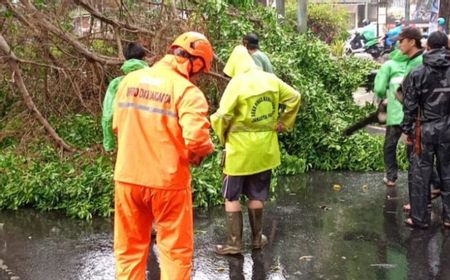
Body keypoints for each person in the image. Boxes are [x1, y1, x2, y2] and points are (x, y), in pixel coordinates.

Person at [112, 31, 215, 279]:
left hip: (128, 179)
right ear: (196, 62)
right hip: (168, 185)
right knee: (175, 253)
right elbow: (198, 140)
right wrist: (198, 154)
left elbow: (116, 125)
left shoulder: (129, 81)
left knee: (129, 252)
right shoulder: (187, 92)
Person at [212, 45, 301, 255]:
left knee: (232, 197)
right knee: (257, 194)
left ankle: (234, 243)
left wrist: (221, 135)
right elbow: (295, 97)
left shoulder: (237, 83)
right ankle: (256, 239)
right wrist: (284, 122)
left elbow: (223, 114)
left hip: (239, 151)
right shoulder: (270, 79)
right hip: (265, 149)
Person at [402, 31, 450, 228]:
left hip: (425, 129)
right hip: (448, 128)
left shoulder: (418, 72)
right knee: (448, 171)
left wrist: (407, 130)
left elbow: (410, 105)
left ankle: (420, 218)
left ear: (427, 47)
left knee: (421, 174)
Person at [396, 27, 441, 213]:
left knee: (419, 166)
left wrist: (407, 129)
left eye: (402, 40)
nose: (399, 43)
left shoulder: (420, 65)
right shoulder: (416, 62)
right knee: (439, 166)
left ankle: (420, 210)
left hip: (423, 125)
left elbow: (409, 98)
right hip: (441, 125)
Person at [102, 42, 148, 152]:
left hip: (126, 138)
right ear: (144, 58)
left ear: (125, 58)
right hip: (152, 139)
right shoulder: (157, 80)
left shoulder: (117, 84)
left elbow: (108, 116)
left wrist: (109, 144)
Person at [374, 49, 410, 187]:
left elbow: (379, 88)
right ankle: (431, 182)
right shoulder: (415, 63)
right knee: (414, 149)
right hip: (413, 114)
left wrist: (385, 97)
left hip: (395, 114)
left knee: (390, 146)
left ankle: (391, 177)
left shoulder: (389, 65)